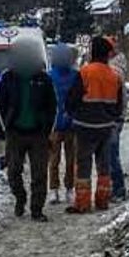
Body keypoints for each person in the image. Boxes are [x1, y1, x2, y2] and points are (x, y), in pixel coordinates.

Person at [0, 34, 56, 221]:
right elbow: (1, 102)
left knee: (39, 173)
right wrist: (7, 123)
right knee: (13, 171)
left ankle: (36, 209)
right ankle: (20, 198)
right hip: (15, 132)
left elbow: (52, 105)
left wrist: (46, 128)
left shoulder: (43, 78)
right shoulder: (8, 78)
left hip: (38, 133)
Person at [65, 35, 124, 213]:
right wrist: (109, 117)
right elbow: (118, 106)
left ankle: (82, 203)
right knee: (104, 165)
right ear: (107, 54)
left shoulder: (84, 72)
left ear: (92, 52)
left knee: (83, 165)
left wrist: (75, 115)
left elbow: (72, 100)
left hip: (84, 126)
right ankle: (102, 200)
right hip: (106, 127)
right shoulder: (115, 76)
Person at [47, 42, 79, 205]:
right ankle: (54, 189)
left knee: (69, 159)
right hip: (55, 125)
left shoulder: (74, 76)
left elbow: (79, 98)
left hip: (70, 125)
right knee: (55, 159)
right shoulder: (50, 76)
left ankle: (68, 188)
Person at [107, 51, 129, 202]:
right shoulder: (119, 72)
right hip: (117, 118)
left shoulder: (114, 74)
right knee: (111, 154)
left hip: (113, 120)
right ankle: (116, 188)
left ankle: (118, 189)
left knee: (111, 154)